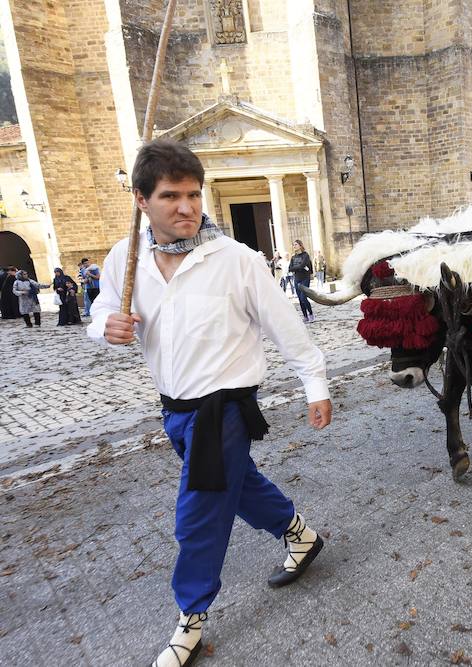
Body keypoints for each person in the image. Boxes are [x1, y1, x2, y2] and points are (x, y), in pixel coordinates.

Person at [86, 139, 333, 667]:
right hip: (173, 410)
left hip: (222, 411)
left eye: (194, 194)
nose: (187, 207)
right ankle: (301, 537)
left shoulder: (236, 260)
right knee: (237, 486)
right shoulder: (126, 260)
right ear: (141, 200)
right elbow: (104, 306)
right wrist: (103, 326)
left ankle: (190, 620)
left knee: (197, 517)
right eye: (171, 195)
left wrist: (315, 384)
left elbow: (286, 327)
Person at [288, 239, 314, 322]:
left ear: (300, 245)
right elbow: (290, 268)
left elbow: (303, 264)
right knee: (300, 299)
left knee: (303, 298)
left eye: (296, 244)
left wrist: (297, 268)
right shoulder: (293, 257)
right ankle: (305, 316)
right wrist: (299, 267)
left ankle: (311, 314)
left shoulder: (305, 255)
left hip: (305, 278)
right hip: (297, 279)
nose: (294, 246)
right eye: (293, 245)